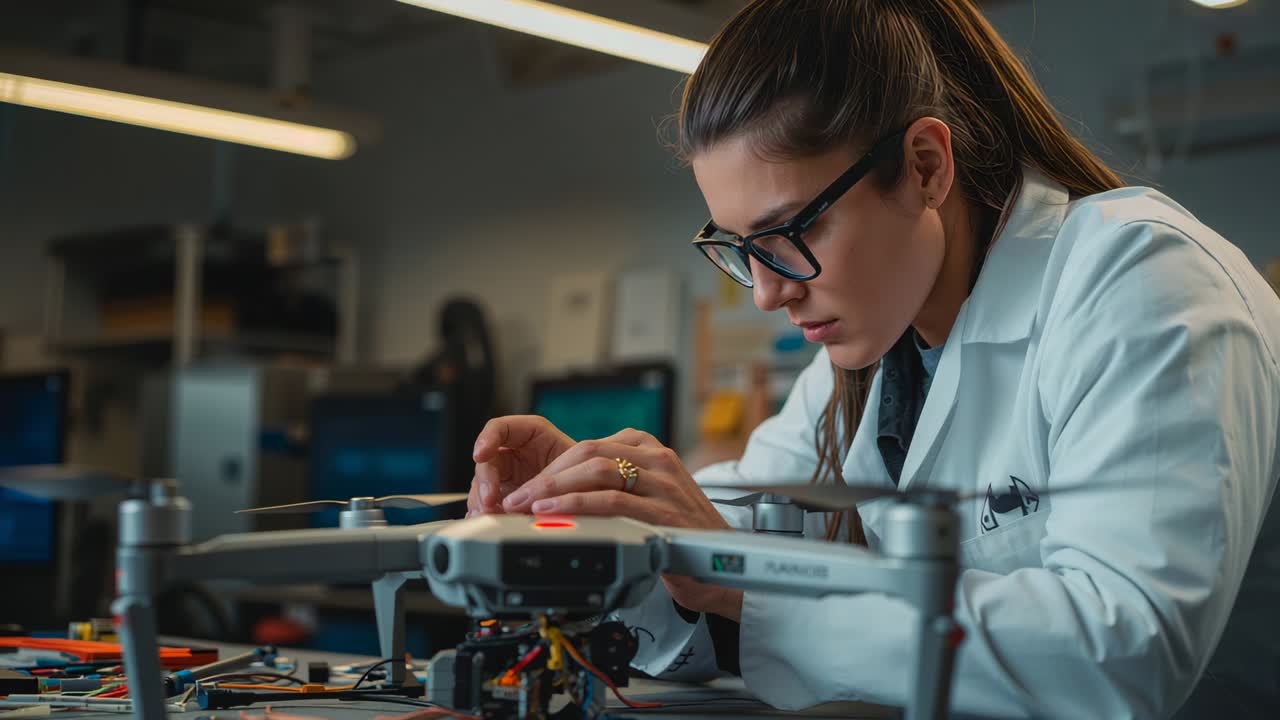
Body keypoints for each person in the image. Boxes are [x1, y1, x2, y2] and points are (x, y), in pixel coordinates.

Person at [465, 0, 1280, 717]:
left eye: (792, 235)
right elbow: (739, 528)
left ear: (926, 166)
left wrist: (740, 581)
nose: (764, 294)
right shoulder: (873, 351)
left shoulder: (1139, 281)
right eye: (742, 248)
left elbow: (1123, 657)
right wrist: (592, 523)